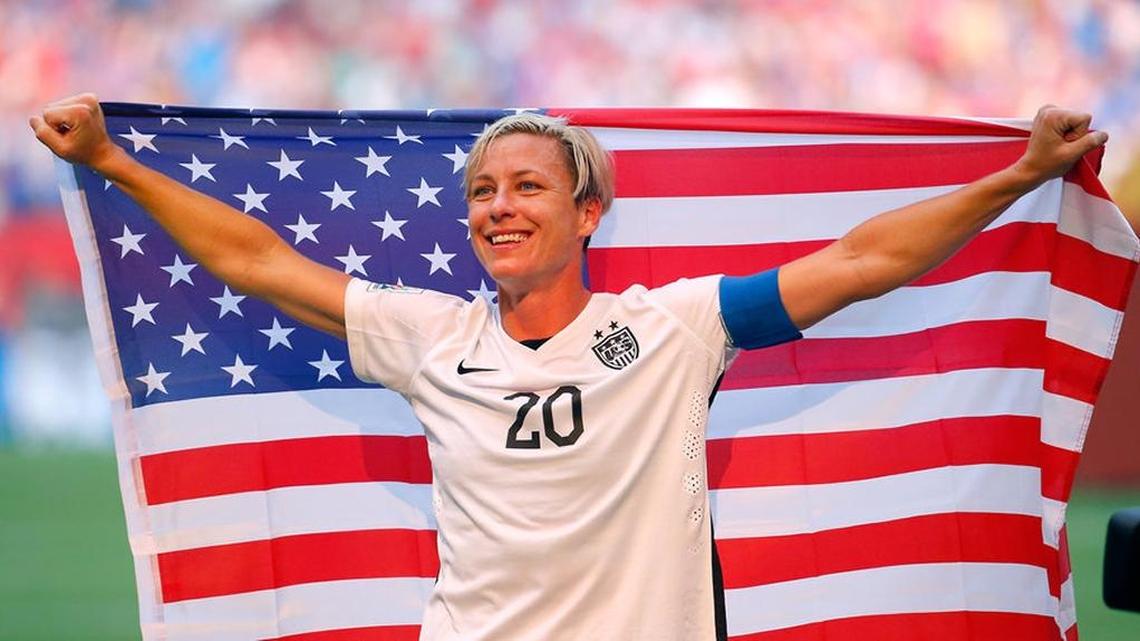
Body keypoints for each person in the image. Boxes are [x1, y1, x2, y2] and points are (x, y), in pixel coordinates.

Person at [32, 95, 1113, 640]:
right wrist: (113, 161)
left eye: (528, 187)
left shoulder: (679, 328)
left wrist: (1019, 173)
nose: (499, 207)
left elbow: (861, 263)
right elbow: (258, 261)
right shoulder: (429, 334)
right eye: (482, 192)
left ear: (588, 211)